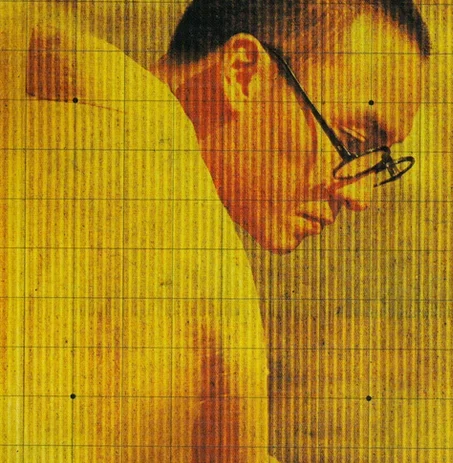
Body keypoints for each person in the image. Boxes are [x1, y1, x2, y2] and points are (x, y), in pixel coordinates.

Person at [0, 0, 430, 461]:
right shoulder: (161, 216)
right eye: (351, 142)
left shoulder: (44, 122)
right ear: (242, 73)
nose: (358, 196)